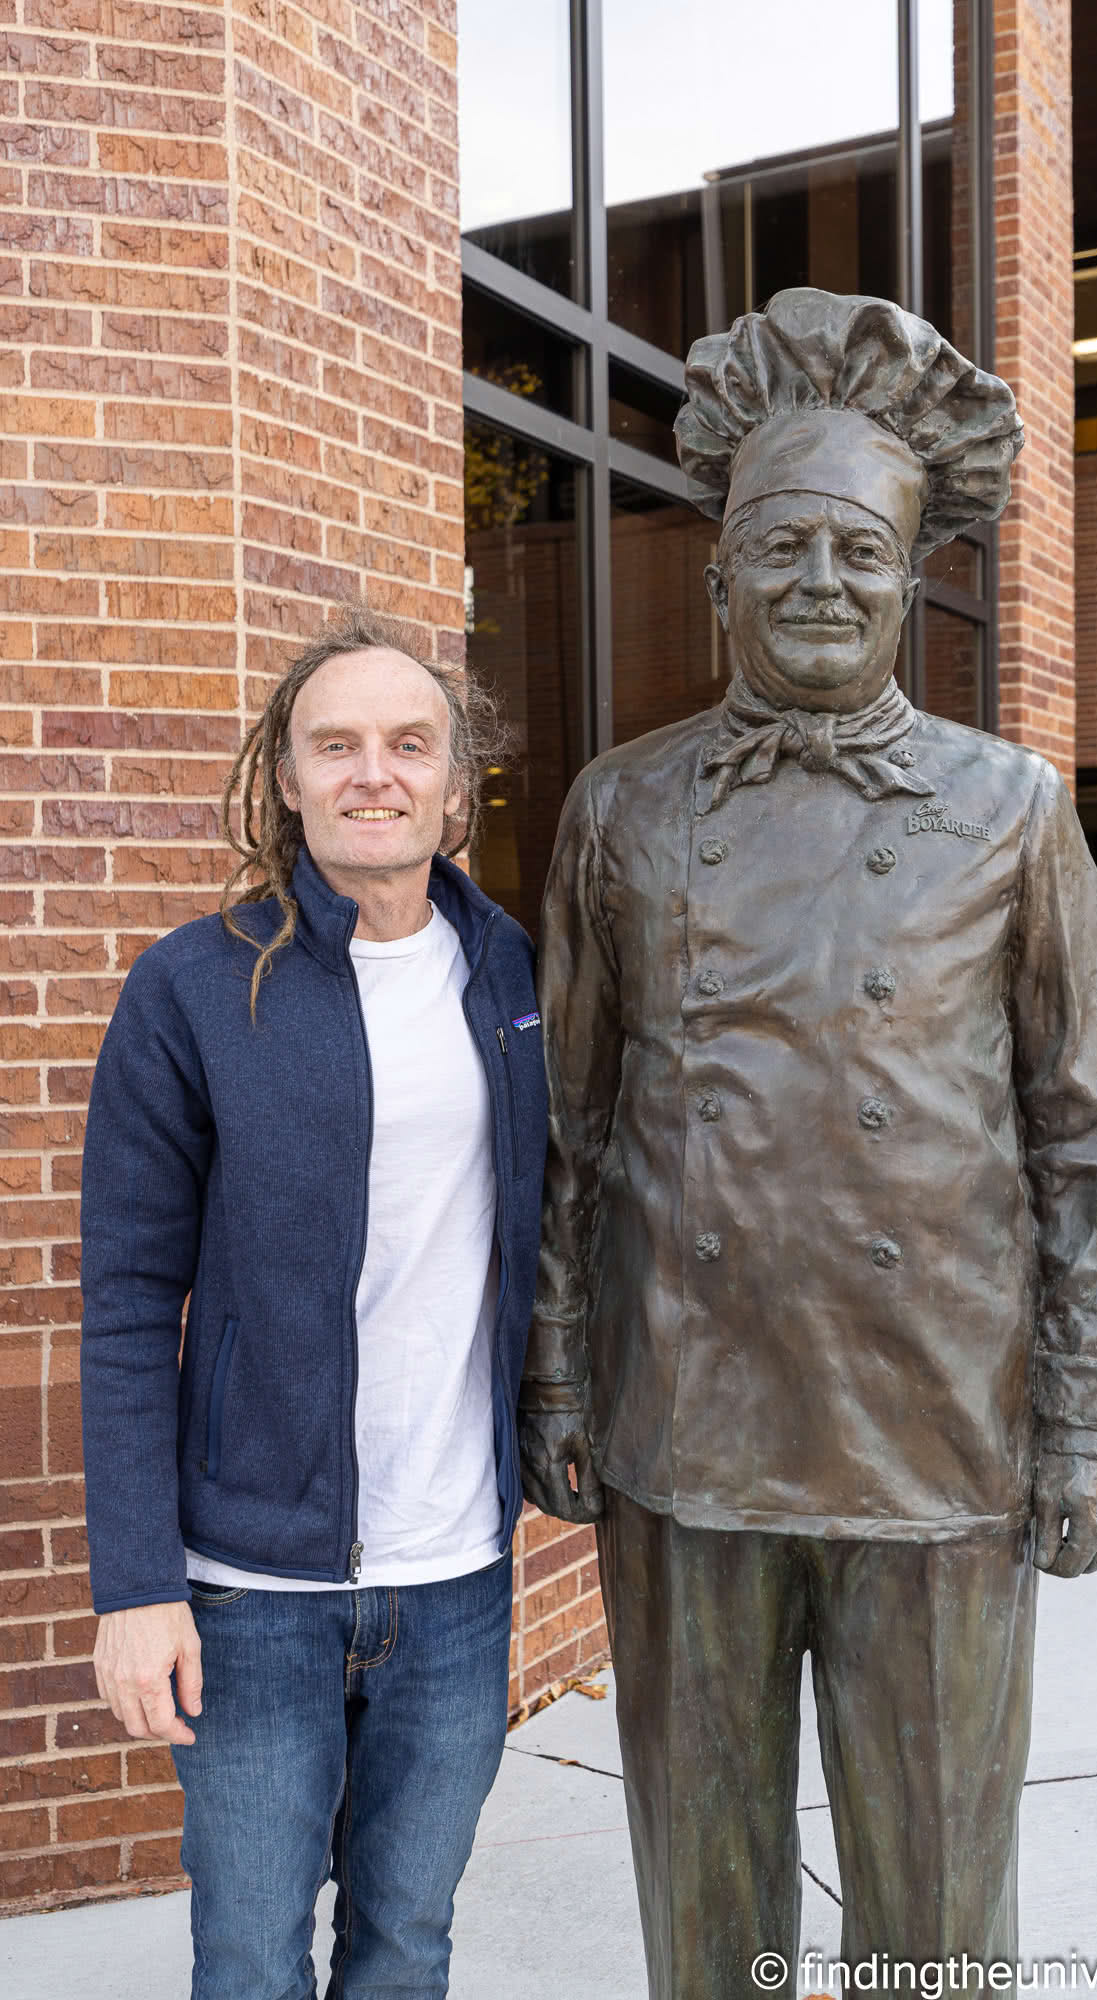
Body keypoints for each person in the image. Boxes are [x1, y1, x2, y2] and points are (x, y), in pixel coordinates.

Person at [519, 290, 1097, 1997]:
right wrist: (561, 1375)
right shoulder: (622, 806)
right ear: (723, 575)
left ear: (908, 581)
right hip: (688, 1427)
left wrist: (1092, 1424)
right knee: (706, 1883)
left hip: (936, 1431)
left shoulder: (1012, 810)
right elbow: (569, 1133)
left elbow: (1090, 1141)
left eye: (856, 556)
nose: (819, 585)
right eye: (781, 550)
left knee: (939, 1897)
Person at [79, 608, 547, 1998]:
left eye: (408, 744)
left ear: (457, 782)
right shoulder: (191, 988)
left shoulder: (509, 974)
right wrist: (137, 1587)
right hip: (251, 1593)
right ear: (285, 777)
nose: (371, 774)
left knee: (407, 1944)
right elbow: (122, 1305)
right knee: (249, 1960)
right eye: (333, 744)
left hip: (456, 1572)